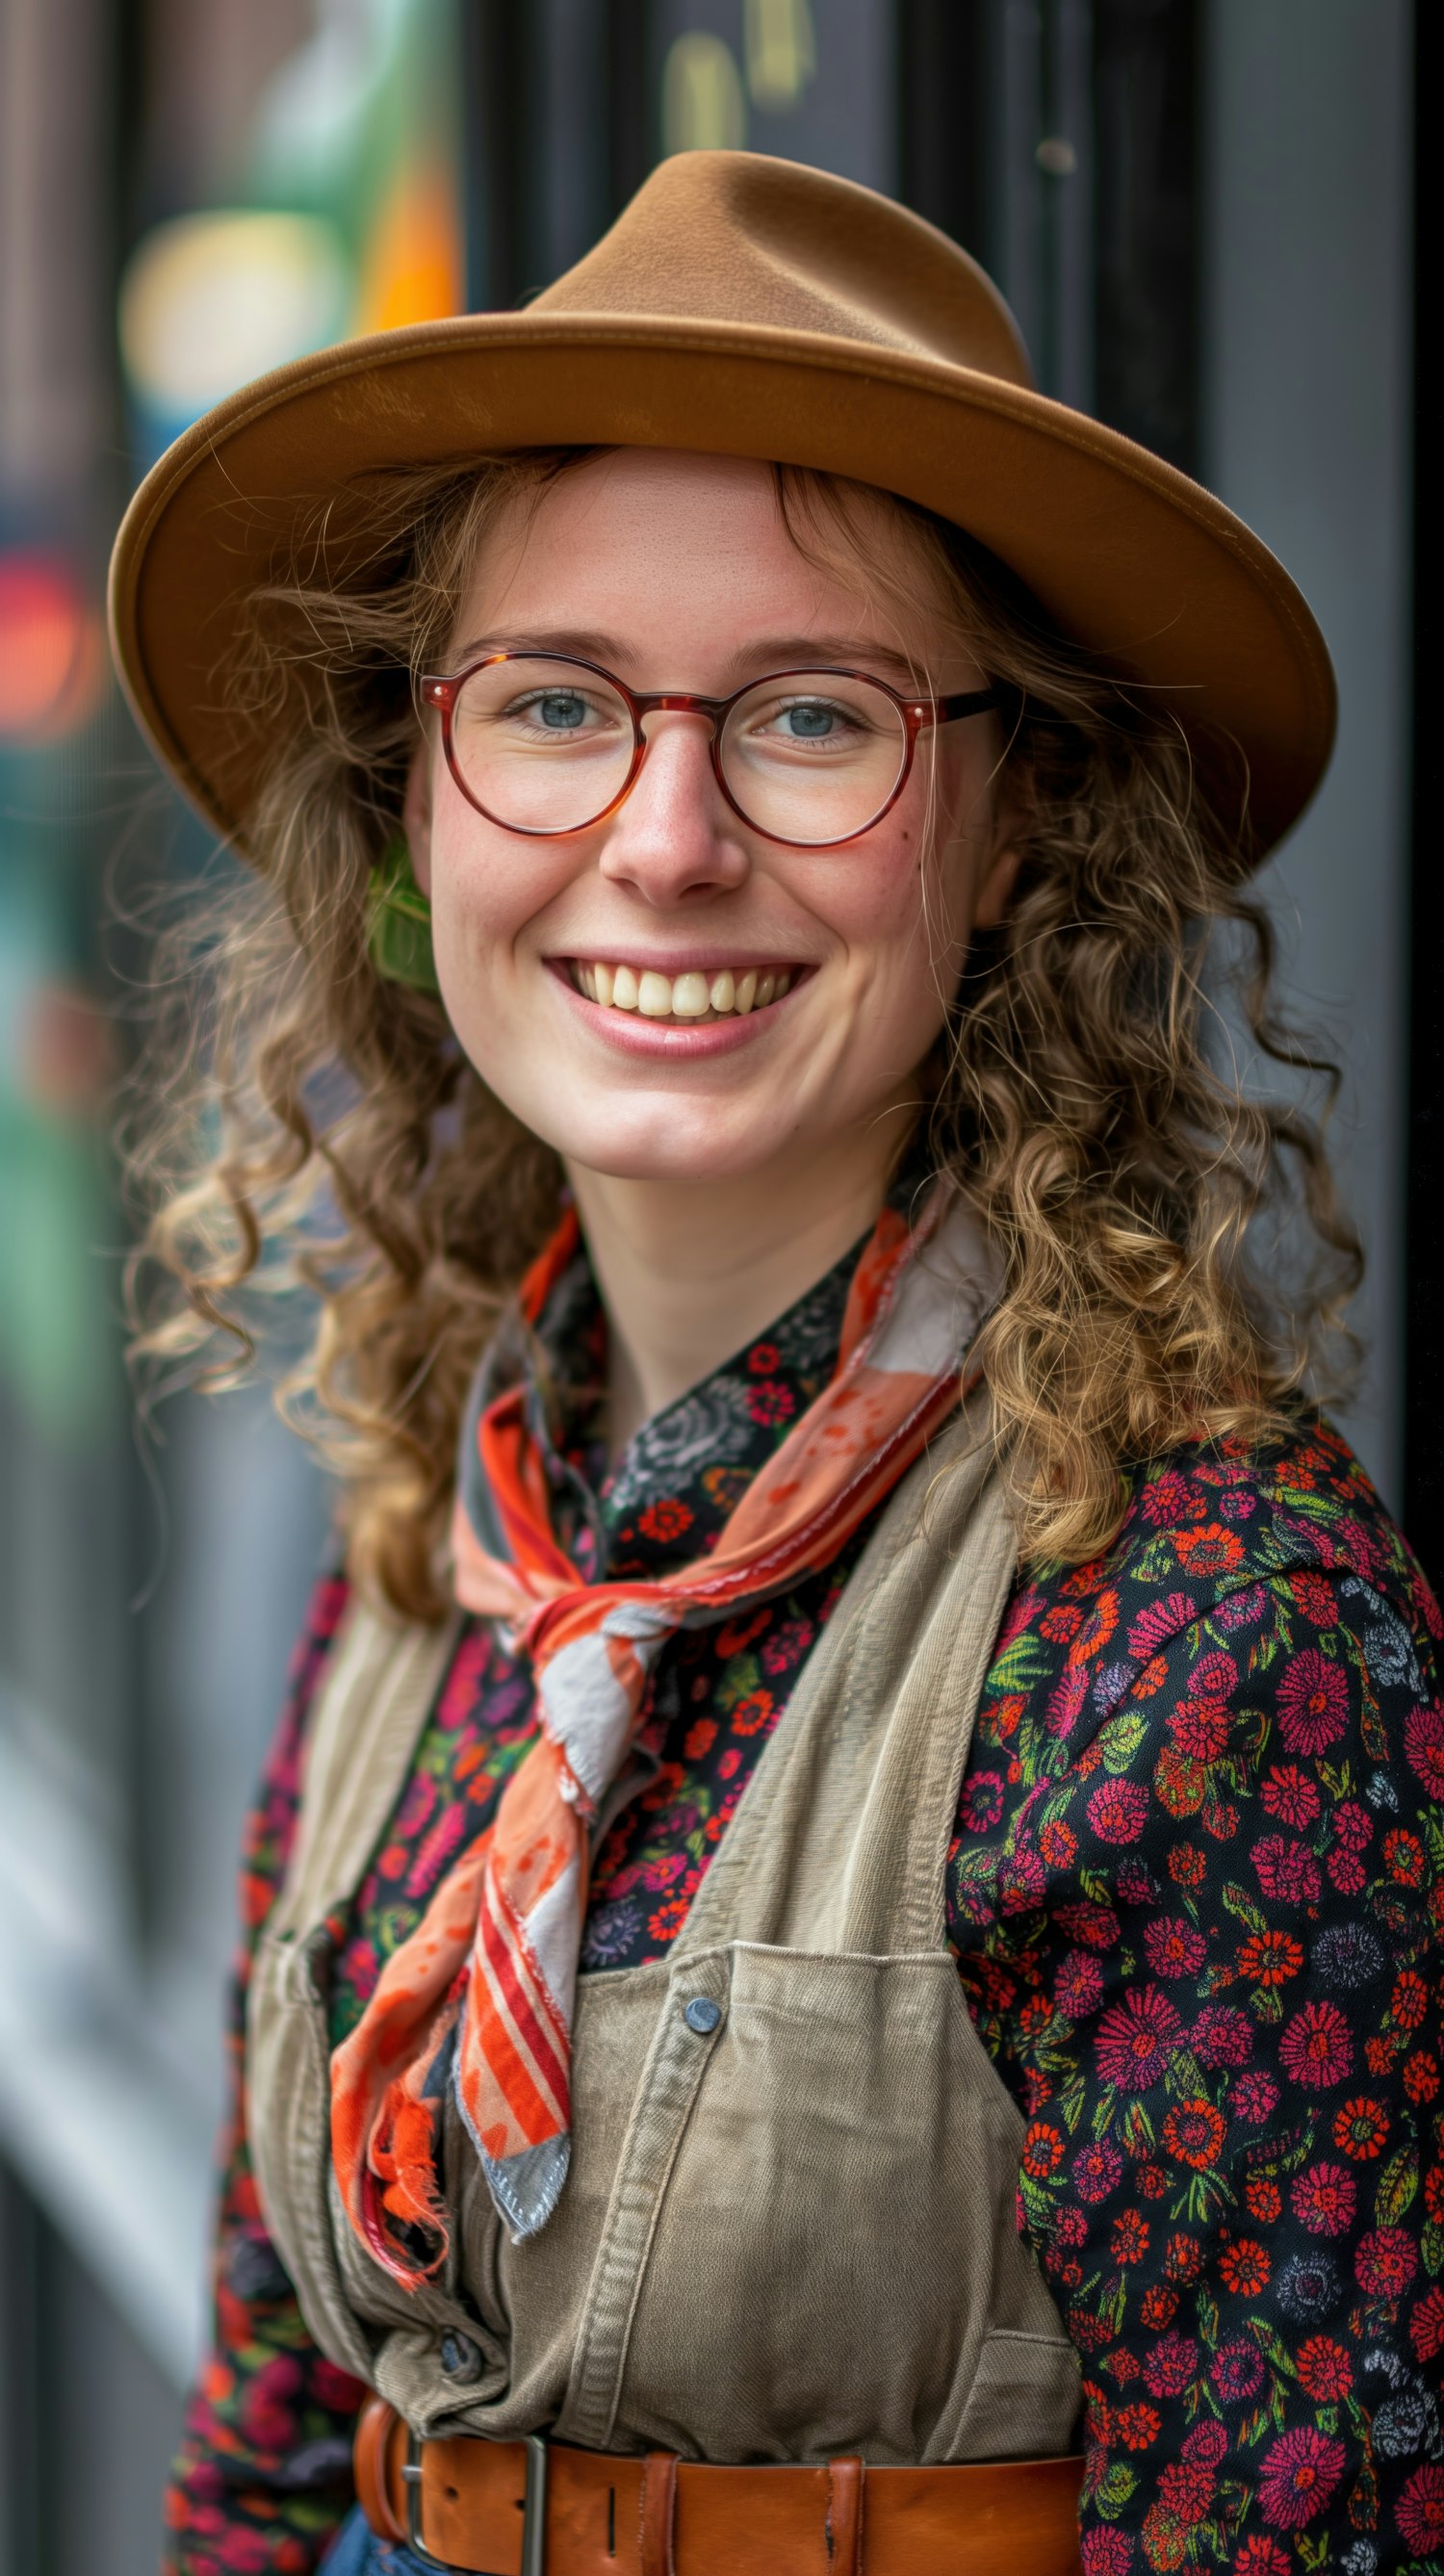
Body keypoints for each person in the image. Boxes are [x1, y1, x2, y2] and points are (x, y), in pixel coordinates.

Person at [111, 153, 1444, 2576]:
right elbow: (279, 2429)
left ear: (1021, 826)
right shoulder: (455, 1524)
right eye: (552, 705)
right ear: (420, 798)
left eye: (813, 719)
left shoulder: (1196, 1623)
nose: (670, 836)